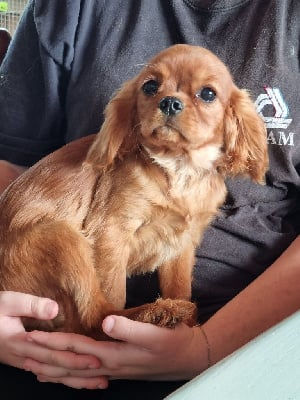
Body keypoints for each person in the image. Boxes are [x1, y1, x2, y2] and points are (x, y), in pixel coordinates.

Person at [0, 0, 300, 398]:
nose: (170, 103)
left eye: (205, 94)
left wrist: (203, 345)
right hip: (43, 315)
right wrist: (108, 332)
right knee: (63, 241)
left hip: (254, 332)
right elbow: (10, 163)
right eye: (153, 89)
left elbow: (182, 239)